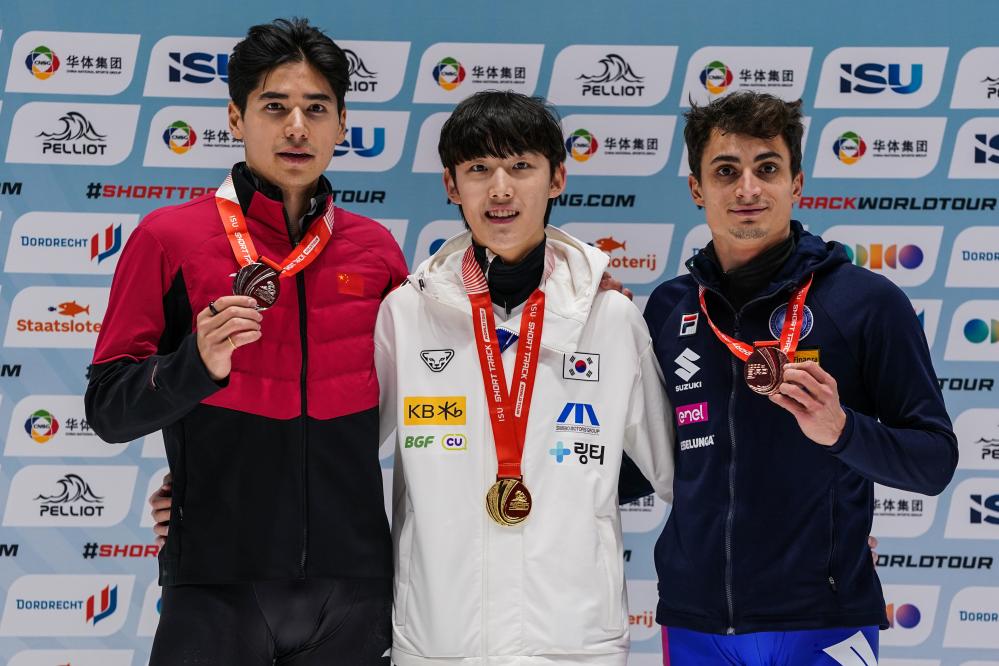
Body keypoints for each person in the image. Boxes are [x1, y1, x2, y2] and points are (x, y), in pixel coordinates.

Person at [85, 18, 407, 665]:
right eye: (275, 107)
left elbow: (448, 384)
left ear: (342, 124)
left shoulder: (377, 252)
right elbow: (108, 412)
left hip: (354, 589)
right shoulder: (168, 239)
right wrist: (194, 364)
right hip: (217, 585)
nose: (297, 127)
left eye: (317, 109)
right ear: (236, 117)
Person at [641, 91, 958, 664]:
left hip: (823, 620)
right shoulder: (668, 309)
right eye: (726, 171)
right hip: (695, 622)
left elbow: (934, 462)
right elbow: (639, 461)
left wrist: (843, 430)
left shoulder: (864, 303)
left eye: (767, 169)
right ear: (696, 189)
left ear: (797, 184)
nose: (747, 189)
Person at [373, 90, 674, 665]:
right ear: (451, 185)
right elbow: (339, 457)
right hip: (439, 640)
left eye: (520, 166)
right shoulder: (407, 315)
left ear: (557, 178)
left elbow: (683, 475)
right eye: (478, 169)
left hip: (575, 644)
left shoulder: (610, 320)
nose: (500, 189)